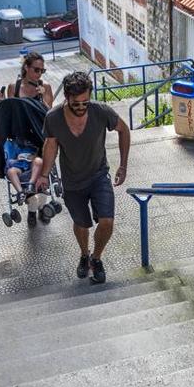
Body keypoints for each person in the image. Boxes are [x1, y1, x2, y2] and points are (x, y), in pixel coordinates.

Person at [36, 71, 130, 284]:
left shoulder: (100, 112)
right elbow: (51, 146)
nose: (81, 107)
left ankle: (96, 258)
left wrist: (123, 166)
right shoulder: (53, 118)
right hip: (72, 182)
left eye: (85, 103)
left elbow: (124, 130)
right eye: (75, 103)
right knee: (82, 224)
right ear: (66, 98)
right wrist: (43, 175)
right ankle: (84, 254)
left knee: (107, 221)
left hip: (98, 175)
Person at [0, 51, 54, 227]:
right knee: (24, 176)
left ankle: (43, 209)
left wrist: (43, 97)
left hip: (39, 137)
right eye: (36, 70)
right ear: (26, 68)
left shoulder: (47, 87)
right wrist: (1, 102)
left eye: (42, 71)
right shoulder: (14, 87)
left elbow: (49, 114)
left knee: (42, 176)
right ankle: (31, 209)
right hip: (20, 138)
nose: (39, 74)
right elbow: (11, 112)